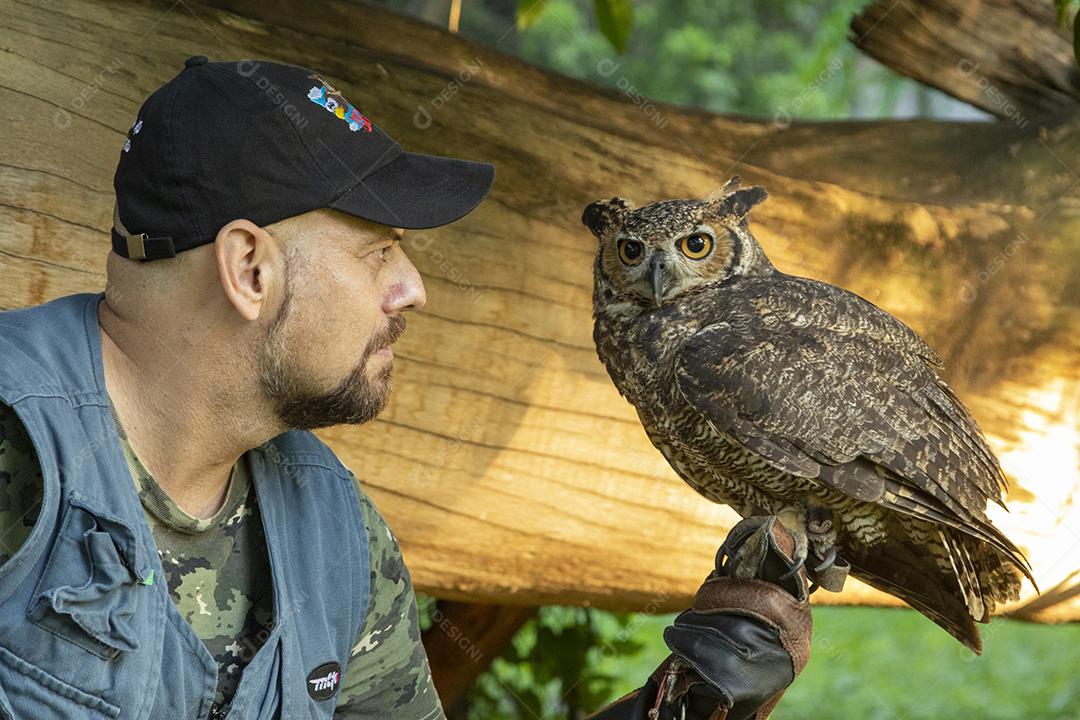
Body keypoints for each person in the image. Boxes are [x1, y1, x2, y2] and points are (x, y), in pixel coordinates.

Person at [0, 57, 811, 720]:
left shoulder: (328, 528)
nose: (413, 289)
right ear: (249, 269)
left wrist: (669, 712)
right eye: (378, 250)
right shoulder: (19, 447)